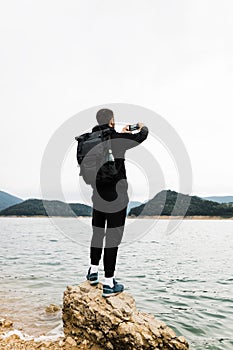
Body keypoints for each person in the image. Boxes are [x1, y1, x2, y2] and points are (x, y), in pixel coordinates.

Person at [86, 108, 149, 297]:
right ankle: (109, 283)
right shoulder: (117, 138)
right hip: (116, 196)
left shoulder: (89, 140)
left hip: (97, 194)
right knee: (112, 238)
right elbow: (142, 136)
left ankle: (93, 272)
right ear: (112, 121)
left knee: (98, 232)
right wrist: (140, 126)